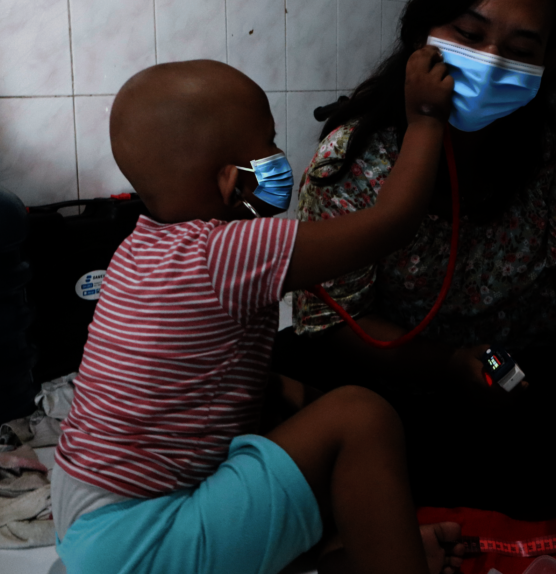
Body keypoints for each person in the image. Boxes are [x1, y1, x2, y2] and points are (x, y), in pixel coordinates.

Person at [282, 0, 556, 519]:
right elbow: (334, 323)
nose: (488, 64)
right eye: (468, 34)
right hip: (401, 368)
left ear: (549, 60)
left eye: (521, 48)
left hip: (525, 368)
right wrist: (449, 363)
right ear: (422, 32)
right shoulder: (354, 160)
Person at [51, 59, 466, 574]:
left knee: (287, 401)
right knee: (361, 416)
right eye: (269, 144)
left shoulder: (139, 250)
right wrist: (426, 118)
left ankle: (360, 550)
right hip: (145, 541)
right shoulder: (227, 249)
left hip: (85, 521)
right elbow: (392, 223)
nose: (280, 157)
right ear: (233, 182)